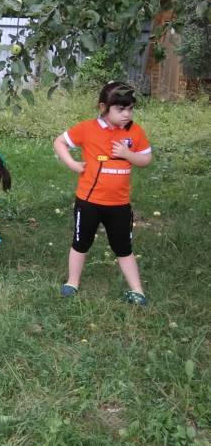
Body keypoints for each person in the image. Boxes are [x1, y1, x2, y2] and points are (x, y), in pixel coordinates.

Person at [53, 81, 152, 305]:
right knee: (81, 242)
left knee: (123, 247)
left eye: (130, 108)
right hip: (88, 202)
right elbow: (59, 142)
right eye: (120, 109)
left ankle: (137, 290)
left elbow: (146, 159)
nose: (127, 114)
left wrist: (128, 154)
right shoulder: (87, 128)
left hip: (120, 205)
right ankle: (72, 282)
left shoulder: (135, 131)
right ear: (103, 108)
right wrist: (72, 164)